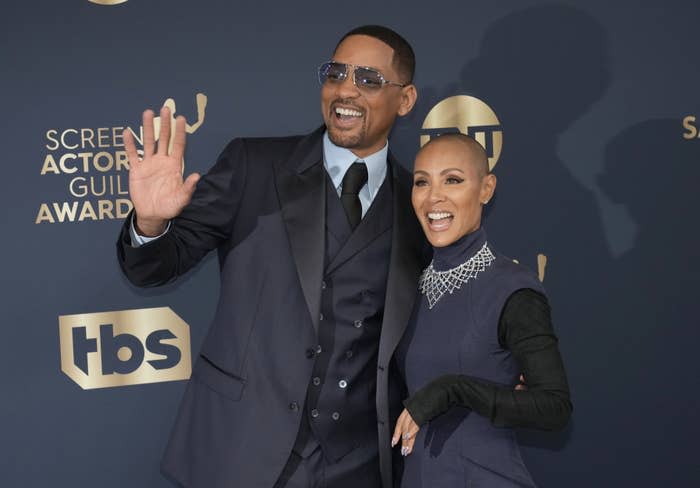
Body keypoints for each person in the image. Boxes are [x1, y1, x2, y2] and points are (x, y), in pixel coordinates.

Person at [116, 25, 424, 488]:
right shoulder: (254, 166)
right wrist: (151, 224)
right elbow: (154, 266)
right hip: (244, 449)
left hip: (360, 463)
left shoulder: (419, 204)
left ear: (405, 100)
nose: (345, 90)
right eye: (336, 73)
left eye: (368, 79)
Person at [392, 134, 572, 487]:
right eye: (422, 182)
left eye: (453, 180)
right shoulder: (406, 287)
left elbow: (555, 407)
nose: (434, 197)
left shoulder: (512, 289)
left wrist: (453, 389)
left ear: (486, 188)